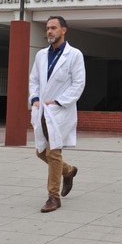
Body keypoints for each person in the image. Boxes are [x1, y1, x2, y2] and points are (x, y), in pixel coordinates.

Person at [29, 16, 86, 213]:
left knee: (54, 152)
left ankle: (53, 197)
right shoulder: (41, 55)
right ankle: (68, 171)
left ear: (64, 30)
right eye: (47, 28)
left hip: (59, 111)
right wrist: (34, 98)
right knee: (40, 151)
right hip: (41, 110)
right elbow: (34, 79)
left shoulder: (74, 55)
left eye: (53, 28)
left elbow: (79, 83)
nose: (49, 32)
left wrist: (59, 101)